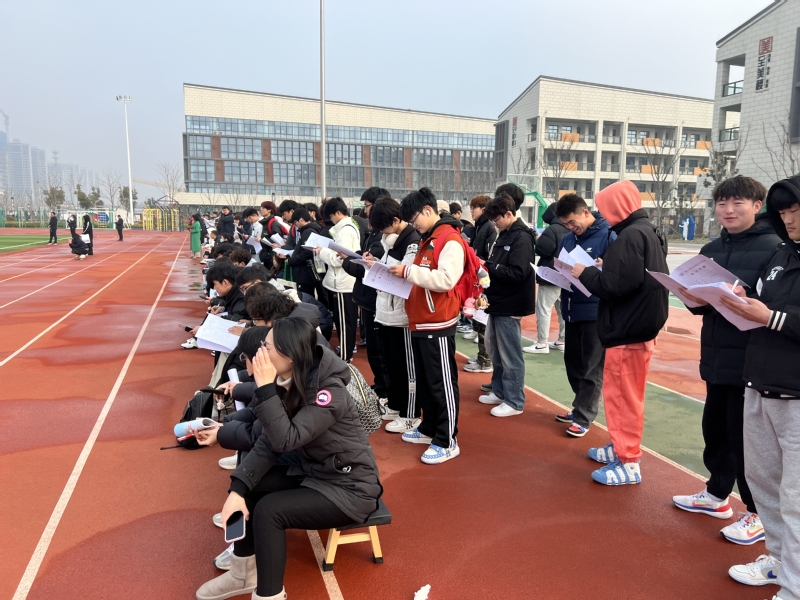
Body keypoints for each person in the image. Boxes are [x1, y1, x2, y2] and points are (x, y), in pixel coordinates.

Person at [194, 317, 382, 600]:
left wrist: (265, 389)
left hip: (350, 487)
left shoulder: (328, 393)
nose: (260, 352)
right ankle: (242, 573)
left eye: (267, 347)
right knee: (251, 486)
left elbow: (285, 440)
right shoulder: (290, 381)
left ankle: (269, 595)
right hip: (316, 472)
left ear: (290, 355)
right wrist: (237, 489)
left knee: (270, 511)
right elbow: (268, 443)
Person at [671, 176, 780, 544]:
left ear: (757, 206)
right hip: (716, 354)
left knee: (748, 441)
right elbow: (700, 305)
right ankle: (716, 494)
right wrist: (691, 297)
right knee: (715, 429)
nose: (728, 210)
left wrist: (745, 297)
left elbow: (774, 304)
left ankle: (758, 513)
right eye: (722, 203)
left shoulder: (774, 248)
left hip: (752, 358)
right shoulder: (711, 248)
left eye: (737, 203)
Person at [717, 176, 800, 599]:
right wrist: (741, 297)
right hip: (759, 383)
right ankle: (780, 562)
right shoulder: (782, 253)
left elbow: (776, 315)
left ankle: (795, 586)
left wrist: (769, 317)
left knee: (796, 497)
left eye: (796, 211)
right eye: (783, 213)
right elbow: (767, 303)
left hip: (796, 395)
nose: (790, 220)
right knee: (763, 484)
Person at [573, 179, 668, 485]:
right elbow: (631, 277)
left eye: (605, 207)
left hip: (627, 329)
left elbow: (615, 285)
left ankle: (628, 460)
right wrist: (606, 267)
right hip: (638, 326)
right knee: (624, 396)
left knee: (623, 399)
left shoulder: (629, 236)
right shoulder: (647, 231)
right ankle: (621, 447)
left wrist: (586, 273)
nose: (602, 213)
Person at [392, 187, 465, 464]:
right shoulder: (429, 238)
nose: (414, 225)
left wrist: (409, 271)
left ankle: (447, 440)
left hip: (438, 321)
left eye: (414, 219)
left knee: (441, 383)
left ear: (428, 210)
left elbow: (446, 279)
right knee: (425, 381)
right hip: (421, 320)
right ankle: (429, 427)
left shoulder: (449, 239)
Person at [552, 194, 615, 437]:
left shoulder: (608, 236)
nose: (570, 227)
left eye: (572, 222)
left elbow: (614, 273)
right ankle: (580, 405)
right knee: (573, 364)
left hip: (595, 311)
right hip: (571, 307)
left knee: (591, 367)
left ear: (585, 212)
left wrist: (597, 268)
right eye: (565, 224)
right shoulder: (568, 239)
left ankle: (584, 416)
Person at [476, 193, 536, 417]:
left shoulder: (522, 237)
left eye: (497, 219)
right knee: (496, 351)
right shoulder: (505, 234)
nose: (495, 223)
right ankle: (500, 390)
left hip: (511, 303)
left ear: (509, 214)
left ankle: (514, 400)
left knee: (510, 354)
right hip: (498, 301)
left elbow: (518, 273)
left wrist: (488, 266)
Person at [365, 197, 421, 432]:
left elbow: (405, 276)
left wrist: (380, 268)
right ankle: (397, 406)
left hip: (401, 315)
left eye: (383, 227)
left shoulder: (412, 241)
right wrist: (375, 263)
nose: (382, 232)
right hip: (387, 311)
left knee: (406, 368)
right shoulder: (391, 240)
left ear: (396, 220)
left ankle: (410, 414)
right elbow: (390, 267)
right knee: (391, 364)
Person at [341, 187, 390, 400]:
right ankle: (381, 386)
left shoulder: (384, 237)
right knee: (374, 349)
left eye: (368, 206)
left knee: (380, 350)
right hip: (368, 298)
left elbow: (367, 269)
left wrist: (347, 260)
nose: (366, 210)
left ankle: (385, 390)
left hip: (375, 298)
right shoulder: (374, 233)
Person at [315, 197, 361, 362]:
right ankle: (346, 351)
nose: (331, 220)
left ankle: (345, 356)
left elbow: (338, 259)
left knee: (344, 322)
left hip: (342, 281)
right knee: (345, 320)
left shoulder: (345, 231)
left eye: (331, 216)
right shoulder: (348, 227)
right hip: (343, 280)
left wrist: (321, 251)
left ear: (338, 213)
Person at [525, 202, 568, 354]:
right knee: (562, 309)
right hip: (565, 274)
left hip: (550, 274)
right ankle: (562, 340)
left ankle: (542, 343)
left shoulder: (552, 230)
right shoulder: (568, 228)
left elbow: (543, 250)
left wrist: (538, 240)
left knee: (543, 309)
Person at [463, 195, 497, 374]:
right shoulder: (479, 227)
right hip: (478, 277)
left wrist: (479, 261)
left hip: (485, 278)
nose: (471, 212)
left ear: (483, 209)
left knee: (483, 321)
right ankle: (482, 356)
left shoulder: (489, 227)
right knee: (479, 320)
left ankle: (485, 360)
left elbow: (489, 255)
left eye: (473, 208)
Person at [285, 208, 323, 298]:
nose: (295, 225)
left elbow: (307, 253)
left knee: (304, 297)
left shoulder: (307, 232)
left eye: (295, 222)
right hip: (305, 272)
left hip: (304, 273)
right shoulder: (311, 230)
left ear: (301, 219)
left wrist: (291, 260)